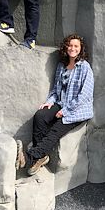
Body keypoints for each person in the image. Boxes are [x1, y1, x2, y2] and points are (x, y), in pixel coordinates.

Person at [15, 34, 94, 175]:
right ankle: (41, 156)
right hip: (61, 103)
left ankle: (29, 158)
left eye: (76, 46)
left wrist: (65, 111)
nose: (72, 48)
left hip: (77, 110)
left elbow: (84, 96)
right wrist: (49, 102)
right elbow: (56, 90)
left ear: (80, 49)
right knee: (40, 116)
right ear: (66, 47)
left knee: (55, 129)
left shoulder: (84, 67)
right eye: (70, 45)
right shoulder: (61, 66)